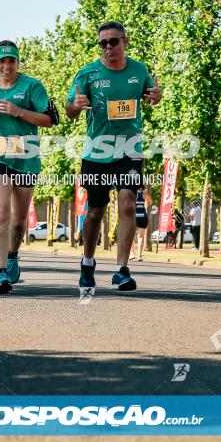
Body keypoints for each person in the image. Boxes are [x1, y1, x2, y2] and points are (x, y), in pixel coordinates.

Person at [66, 21, 162, 291]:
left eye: (113, 42)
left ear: (125, 42)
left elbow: (151, 96)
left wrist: (156, 96)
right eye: (103, 43)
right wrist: (75, 106)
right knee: (96, 212)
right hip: (97, 152)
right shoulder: (87, 73)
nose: (108, 47)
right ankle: (87, 262)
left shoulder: (139, 70)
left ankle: (122, 270)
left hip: (129, 149)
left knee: (129, 203)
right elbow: (70, 110)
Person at [0, 40, 54, 294]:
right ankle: (0, 273)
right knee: (0, 213)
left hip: (25, 155)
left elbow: (50, 119)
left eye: (11, 60)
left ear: (18, 62)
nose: (6, 66)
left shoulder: (32, 86)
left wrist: (18, 111)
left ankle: (12, 255)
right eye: (2, 61)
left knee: (19, 221)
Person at [129, 188, 150, 261]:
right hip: (143, 216)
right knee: (140, 237)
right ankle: (139, 256)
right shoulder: (144, 194)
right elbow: (150, 202)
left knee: (131, 237)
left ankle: (131, 254)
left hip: (133, 217)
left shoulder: (130, 193)